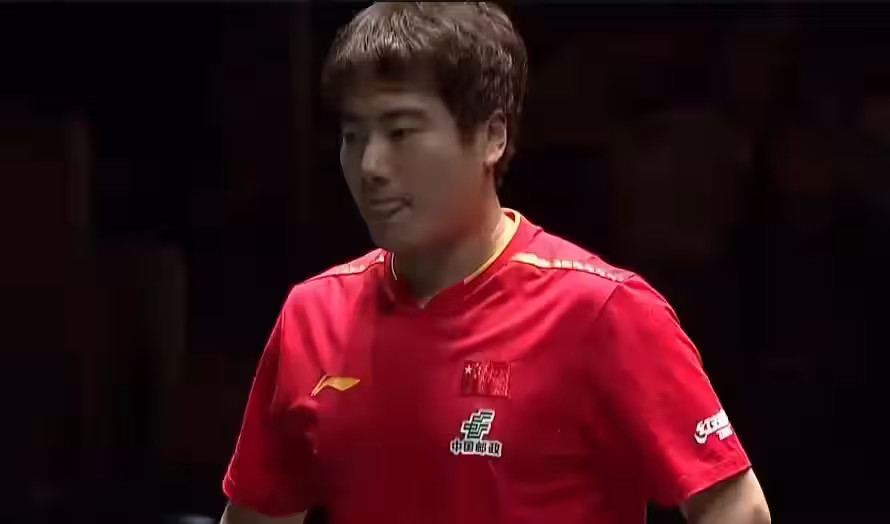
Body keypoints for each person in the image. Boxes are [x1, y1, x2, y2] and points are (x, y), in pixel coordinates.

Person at [220, 3, 770, 523]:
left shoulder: (603, 311)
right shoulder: (311, 316)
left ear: (492, 136)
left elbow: (737, 509)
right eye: (352, 136)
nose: (371, 166)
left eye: (401, 131)